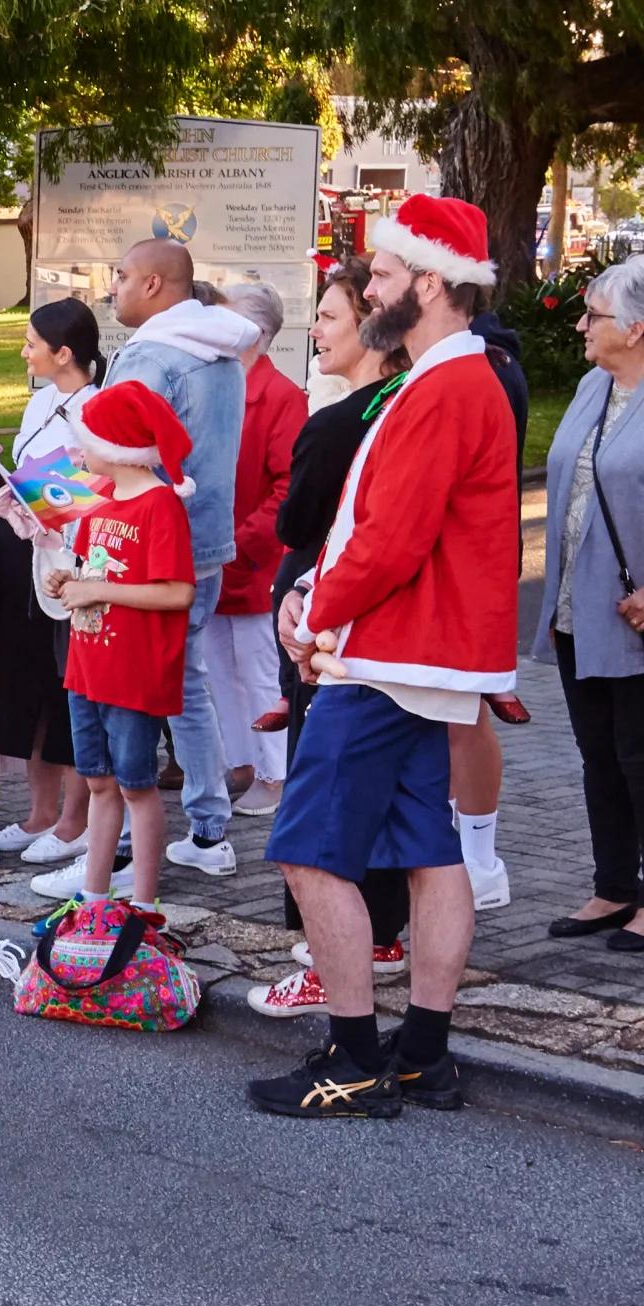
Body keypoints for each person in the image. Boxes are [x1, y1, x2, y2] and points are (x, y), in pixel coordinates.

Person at [255, 195, 519, 1118]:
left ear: (434, 283)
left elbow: (388, 539)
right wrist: (316, 595)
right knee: (426, 851)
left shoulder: (444, 387)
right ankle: (425, 1055)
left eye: (388, 271)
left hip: (393, 656)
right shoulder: (455, 378)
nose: (371, 284)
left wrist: (314, 612)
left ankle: (355, 1057)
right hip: (427, 660)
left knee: (307, 852)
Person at [85, 237, 258, 891]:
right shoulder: (221, 350)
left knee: (131, 689)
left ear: (155, 286)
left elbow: (115, 455)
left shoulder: (150, 357)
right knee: (186, 685)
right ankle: (208, 827)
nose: (114, 288)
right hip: (206, 540)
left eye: (123, 276)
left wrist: (59, 507)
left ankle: (124, 843)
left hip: (148, 549)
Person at [40, 382, 201, 910]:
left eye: (85, 438)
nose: (78, 451)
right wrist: (65, 583)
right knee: (100, 784)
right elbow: (90, 573)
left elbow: (178, 592)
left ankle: (144, 905)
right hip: (87, 668)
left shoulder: (159, 507)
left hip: (133, 674)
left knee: (136, 786)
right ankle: (93, 898)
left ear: (116, 446)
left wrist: (94, 589)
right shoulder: (100, 502)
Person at [532, 256, 644, 953]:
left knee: (642, 756)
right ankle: (614, 885)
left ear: (636, 329)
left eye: (594, 315)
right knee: (597, 753)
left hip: (634, 616)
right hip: (581, 606)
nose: (580, 325)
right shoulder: (588, 387)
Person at [0, 298, 103, 870]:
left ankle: (75, 818)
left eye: (32, 343)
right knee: (33, 689)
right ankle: (37, 811)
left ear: (63, 353)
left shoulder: (97, 406)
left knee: (69, 694)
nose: (23, 351)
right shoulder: (39, 402)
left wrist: (42, 503)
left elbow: (97, 480)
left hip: (73, 564)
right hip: (28, 557)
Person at [210, 282, 305, 820]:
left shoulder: (281, 397)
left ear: (258, 335)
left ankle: (275, 770)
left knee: (260, 670)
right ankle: (242, 762)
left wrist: (239, 543)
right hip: (220, 558)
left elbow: (286, 488)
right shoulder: (223, 385)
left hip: (253, 561)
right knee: (221, 667)